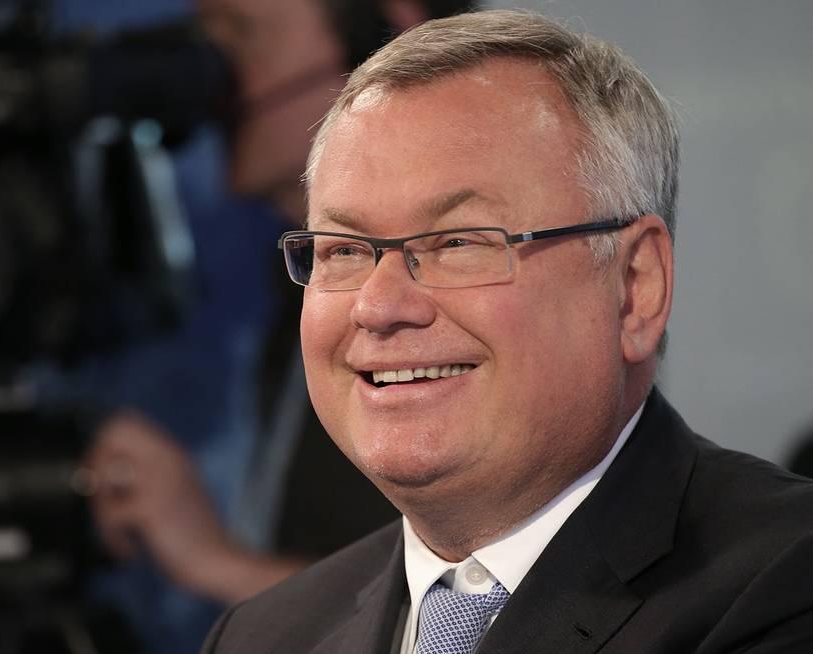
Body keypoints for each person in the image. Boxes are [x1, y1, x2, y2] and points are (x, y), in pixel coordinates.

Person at [201, 9, 813, 654]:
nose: (378, 306)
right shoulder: (259, 638)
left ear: (636, 287)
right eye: (344, 250)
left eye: (458, 243)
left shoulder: (785, 586)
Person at [85, 0, 471, 619]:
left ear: (386, 41)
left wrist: (216, 561)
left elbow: (471, 616)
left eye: (242, 36)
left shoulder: (465, 305)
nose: (213, 79)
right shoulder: (293, 280)